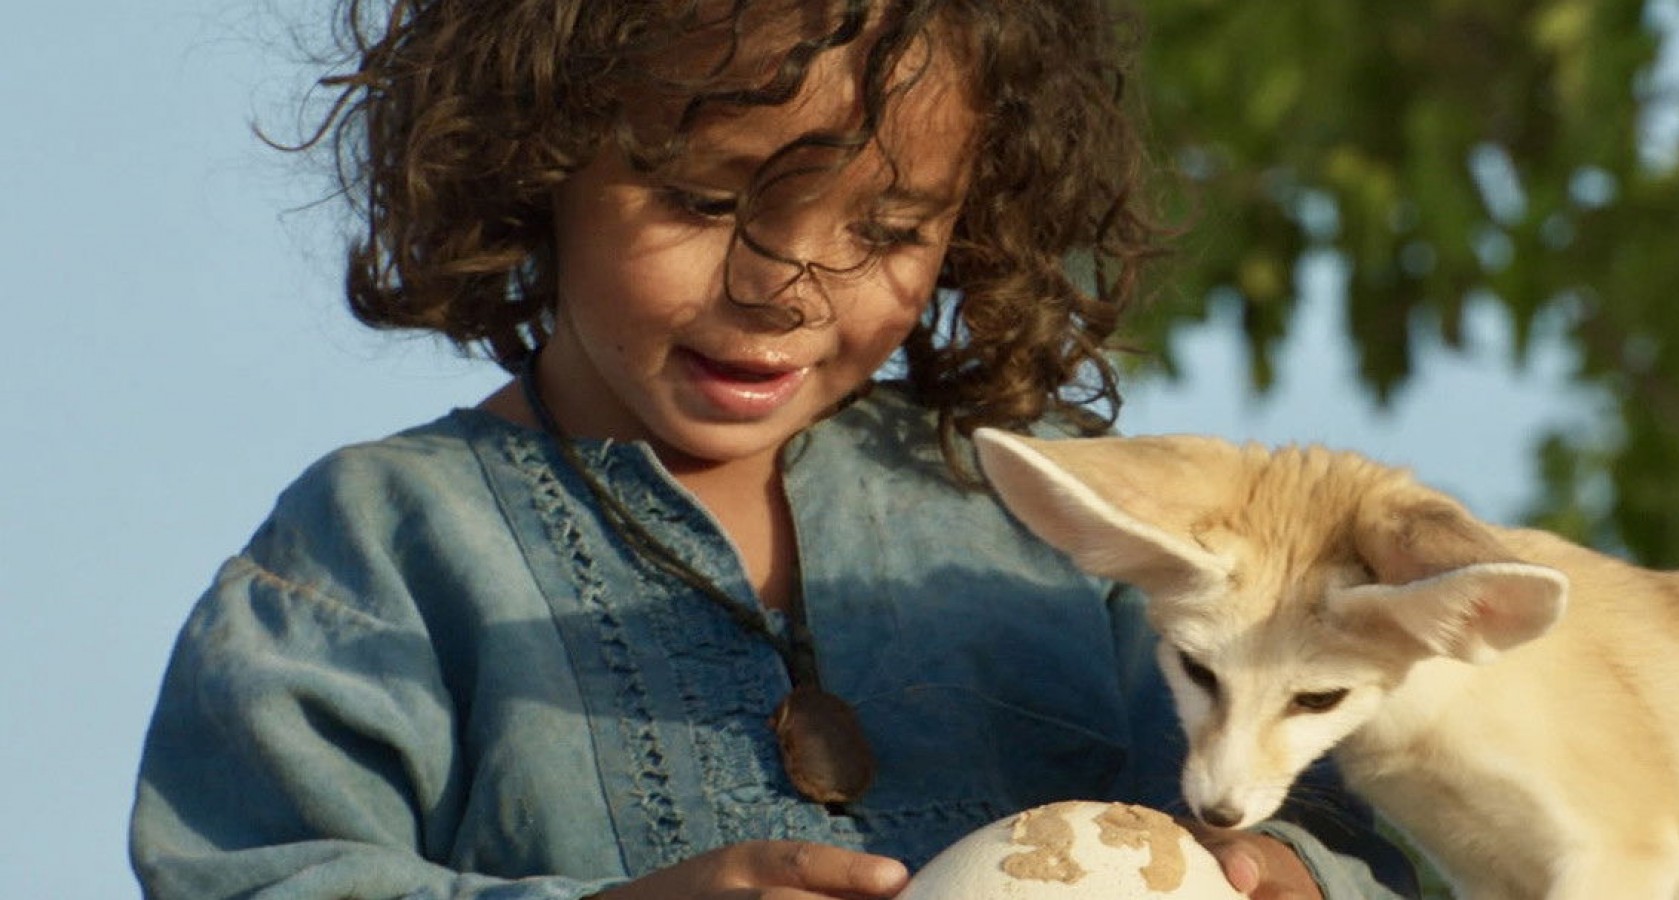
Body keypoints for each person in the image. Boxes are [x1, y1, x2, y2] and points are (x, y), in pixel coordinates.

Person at [131, 1, 1421, 897]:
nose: (790, 286)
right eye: (703, 199)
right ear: (533, 156)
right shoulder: (377, 544)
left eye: (892, 226)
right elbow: (254, 873)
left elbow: (1380, 830)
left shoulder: (1061, 516)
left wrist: (1290, 876)